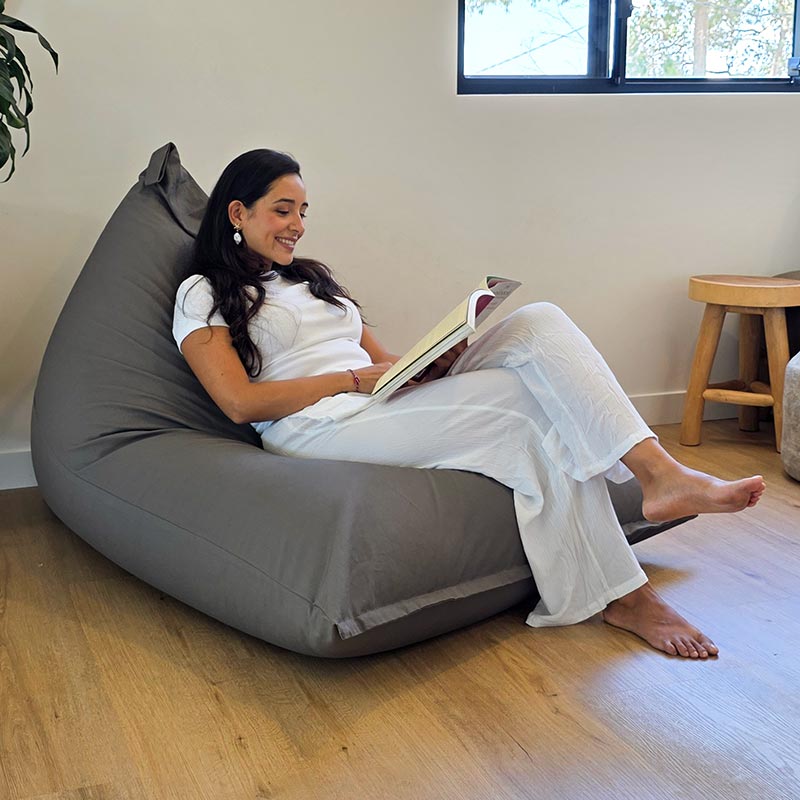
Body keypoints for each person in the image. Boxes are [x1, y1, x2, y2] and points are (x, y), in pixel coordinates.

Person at [173, 149, 766, 660]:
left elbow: (384, 363)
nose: (297, 225)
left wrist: (428, 364)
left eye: (303, 211)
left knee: (540, 322)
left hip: (372, 400)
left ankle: (660, 474)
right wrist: (355, 381)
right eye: (283, 210)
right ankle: (627, 596)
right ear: (237, 213)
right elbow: (238, 402)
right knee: (520, 404)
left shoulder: (311, 278)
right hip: (315, 425)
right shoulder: (203, 293)